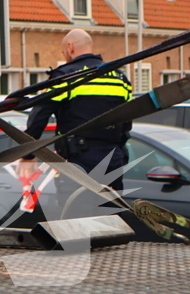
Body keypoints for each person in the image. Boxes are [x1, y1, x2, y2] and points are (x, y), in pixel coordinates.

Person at [16, 29, 132, 197]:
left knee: (74, 215)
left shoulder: (66, 76)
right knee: (111, 215)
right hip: (113, 159)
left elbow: (40, 114)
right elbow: (127, 120)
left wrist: (27, 154)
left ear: (70, 48)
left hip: (77, 161)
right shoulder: (120, 78)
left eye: (64, 51)